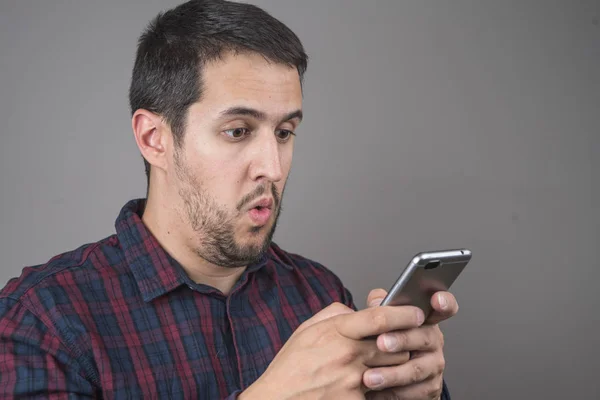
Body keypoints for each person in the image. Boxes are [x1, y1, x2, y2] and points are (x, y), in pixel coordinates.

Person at [0, 0, 460, 398]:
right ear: (155, 138)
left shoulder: (322, 296)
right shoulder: (43, 321)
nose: (273, 168)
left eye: (284, 133)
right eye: (237, 131)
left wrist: (414, 390)